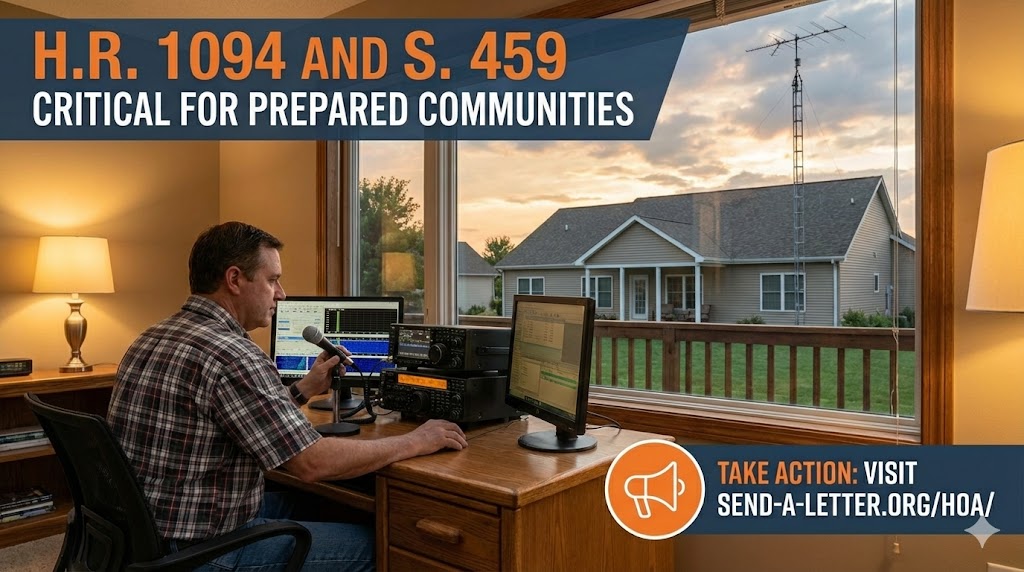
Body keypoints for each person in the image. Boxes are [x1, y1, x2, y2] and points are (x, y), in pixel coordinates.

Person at [107, 221, 468, 571]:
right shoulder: (232, 354)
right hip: (198, 551)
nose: (280, 294)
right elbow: (313, 464)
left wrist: (304, 388)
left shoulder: (153, 336)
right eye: (273, 280)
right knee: (384, 545)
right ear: (234, 279)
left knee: (312, 504)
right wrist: (417, 440)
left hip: (144, 534)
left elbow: (238, 415)